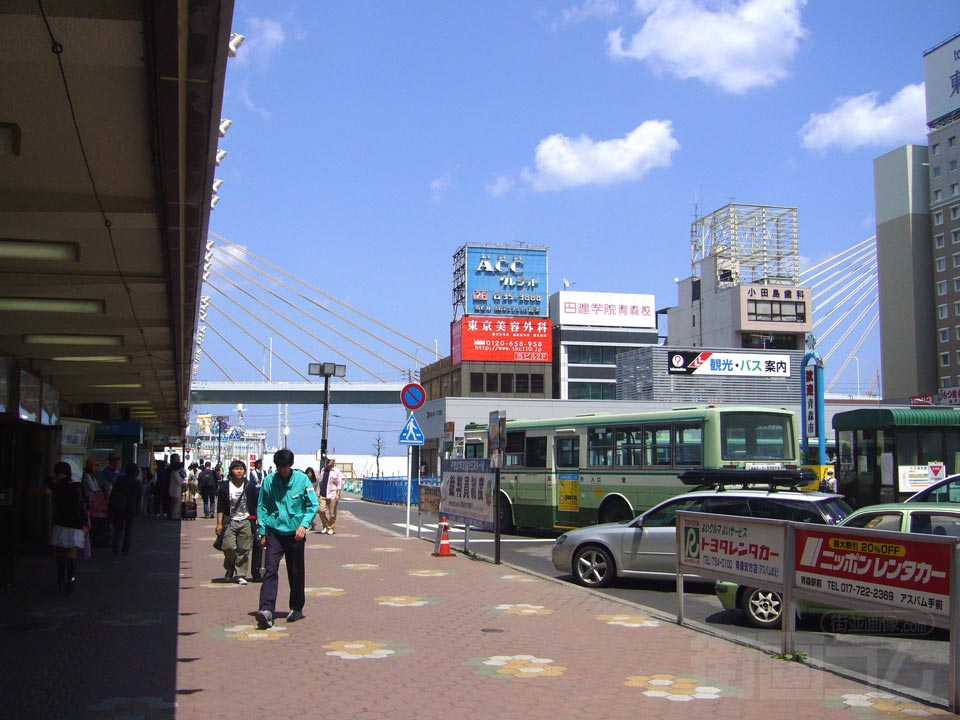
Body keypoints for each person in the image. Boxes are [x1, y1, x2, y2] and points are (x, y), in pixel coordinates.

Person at [254, 448, 318, 629]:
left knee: (296, 571)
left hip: (295, 533)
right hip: (275, 532)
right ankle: (266, 610)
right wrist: (262, 532)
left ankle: (296, 607)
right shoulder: (269, 481)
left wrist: (304, 525)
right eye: (279, 467)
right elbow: (262, 507)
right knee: (270, 570)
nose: (282, 470)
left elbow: (312, 505)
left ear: (291, 465)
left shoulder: (302, 480)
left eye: (285, 467)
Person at [46, 462, 88, 594]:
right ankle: (71, 581)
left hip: (61, 525)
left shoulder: (57, 487)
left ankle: (61, 582)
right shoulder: (76, 487)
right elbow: (83, 505)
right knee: (72, 554)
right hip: (75, 525)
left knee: (60, 554)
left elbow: (48, 480)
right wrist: (87, 521)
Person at [216, 459, 259, 585]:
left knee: (244, 549)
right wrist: (219, 523)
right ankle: (229, 567)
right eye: (236, 468)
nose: (239, 471)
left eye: (241, 469)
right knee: (228, 547)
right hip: (230, 521)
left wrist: (257, 520)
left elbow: (255, 504)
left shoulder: (249, 485)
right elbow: (221, 507)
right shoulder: (225, 486)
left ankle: (240, 574)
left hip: (246, 520)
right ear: (231, 471)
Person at [110, 463, 143, 555]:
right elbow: (139, 498)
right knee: (129, 529)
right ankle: (126, 549)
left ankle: (116, 544)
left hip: (119, 507)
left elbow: (114, 493)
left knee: (118, 527)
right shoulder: (137, 483)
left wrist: (111, 506)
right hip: (131, 508)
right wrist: (138, 509)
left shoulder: (120, 480)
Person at [248, 458, 266, 581]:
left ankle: (260, 571)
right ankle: (256, 571)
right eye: (259, 464)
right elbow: (252, 484)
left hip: (263, 495)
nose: (260, 465)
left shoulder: (265, 472)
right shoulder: (252, 473)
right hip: (255, 496)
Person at [318, 456, 344, 535]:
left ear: (333, 461)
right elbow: (320, 482)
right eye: (327, 460)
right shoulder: (323, 470)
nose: (327, 461)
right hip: (323, 493)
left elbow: (339, 484)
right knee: (321, 510)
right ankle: (325, 525)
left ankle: (331, 527)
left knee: (332, 513)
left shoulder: (336, 471)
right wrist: (318, 492)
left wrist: (338, 494)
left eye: (329, 460)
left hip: (332, 494)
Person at [168, 454, 186, 520]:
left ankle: (173, 515)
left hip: (172, 490)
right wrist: (183, 480)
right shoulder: (175, 473)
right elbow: (179, 482)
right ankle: (174, 515)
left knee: (173, 504)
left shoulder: (172, 472)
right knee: (176, 504)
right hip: (176, 491)